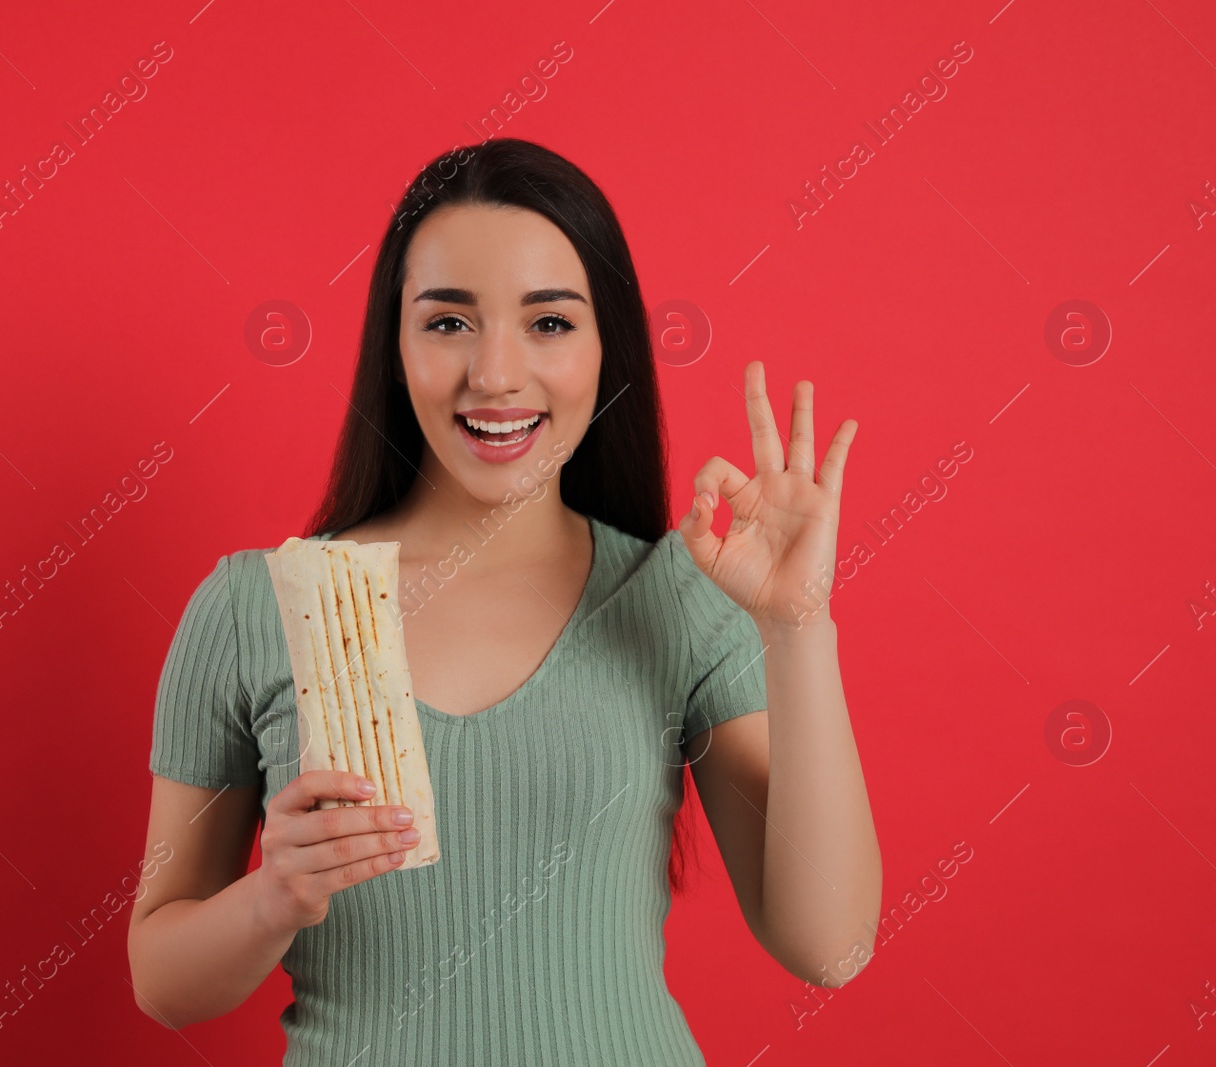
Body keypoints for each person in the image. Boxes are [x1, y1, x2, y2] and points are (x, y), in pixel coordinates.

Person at [127, 137, 881, 1064]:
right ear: (394, 344)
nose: (494, 374)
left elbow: (829, 945)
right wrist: (272, 893)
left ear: (608, 347)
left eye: (549, 323)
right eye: (448, 322)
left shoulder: (672, 599)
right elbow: (162, 980)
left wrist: (797, 628)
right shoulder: (255, 609)